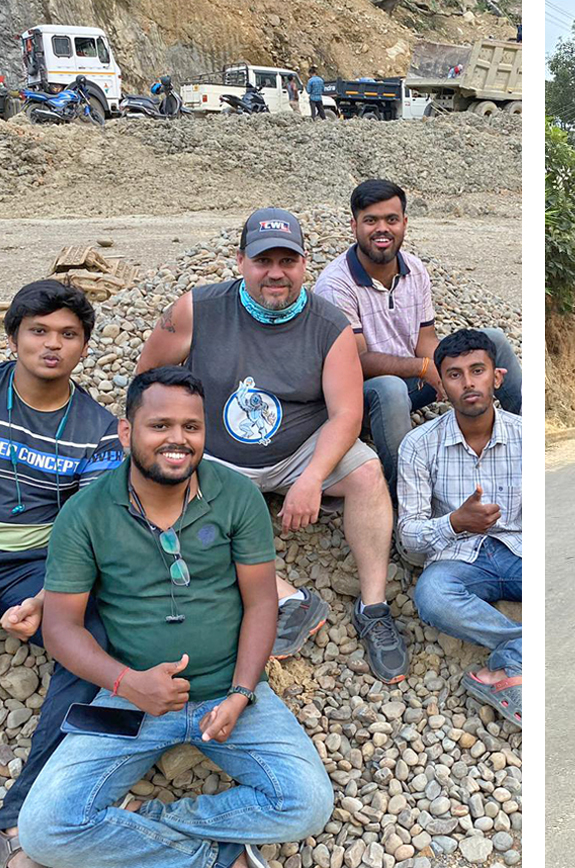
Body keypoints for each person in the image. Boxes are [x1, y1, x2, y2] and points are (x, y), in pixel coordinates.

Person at [17, 367, 331, 868]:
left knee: (308, 803)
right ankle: (215, 859)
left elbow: (261, 602)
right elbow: (60, 627)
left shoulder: (237, 496)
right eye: (159, 425)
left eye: (191, 427)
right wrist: (127, 683)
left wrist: (242, 692)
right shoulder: (85, 512)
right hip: (129, 698)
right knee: (42, 830)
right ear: (127, 432)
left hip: (230, 693)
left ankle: (144, 823)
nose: (177, 440)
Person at [135, 208, 409, 683]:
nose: (276, 273)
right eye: (264, 261)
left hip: (300, 449)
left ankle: (373, 607)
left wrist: (312, 477)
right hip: (216, 456)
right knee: (152, 501)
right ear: (241, 260)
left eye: (288, 260)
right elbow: (145, 383)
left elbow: (347, 413)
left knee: (366, 474)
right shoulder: (197, 309)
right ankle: (290, 599)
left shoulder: (330, 323)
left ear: (304, 263)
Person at [0, 282, 124, 868]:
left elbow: (88, 533)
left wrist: (49, 599)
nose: (52, 345)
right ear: (15, 336)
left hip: (32, 565)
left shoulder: (97, 431)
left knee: (91, 639)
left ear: (83, 347)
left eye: (68, 335)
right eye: (39, 331)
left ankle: (20, 814)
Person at [314, 179, 523, 495]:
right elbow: (355, 361)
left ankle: (523, 442)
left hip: (413, 381)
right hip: (365, 398)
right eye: (371, 220)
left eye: (391, 220)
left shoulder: (414, 269)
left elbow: (426, 338)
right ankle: (406, 495)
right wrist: (424, 368)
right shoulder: (336, 284)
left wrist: (448, 372)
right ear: (354, 225)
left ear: (404, 223)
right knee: (391, 388)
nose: (382, 229)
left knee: (491, 341)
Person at [396, 330, 521, 729]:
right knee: (431, 595)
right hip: (459, 559)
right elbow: (409, 536)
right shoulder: (418, 445)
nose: (468, 383)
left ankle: (512, 662)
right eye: (454, 375)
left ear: (496, 378)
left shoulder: (525, 437)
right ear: (441, 386)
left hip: (521, 551)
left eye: (477, 370)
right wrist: (455, 522)